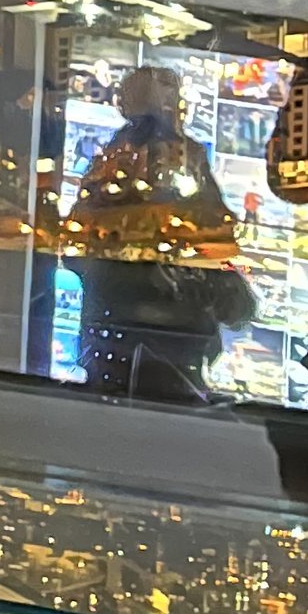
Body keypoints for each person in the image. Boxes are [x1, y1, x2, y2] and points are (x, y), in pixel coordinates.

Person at [65, 64, 252, 400]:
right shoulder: (160, 155)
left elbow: (78, 242)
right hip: (158, 318)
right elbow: (215, 227)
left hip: (124, 314)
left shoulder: (117, 156)